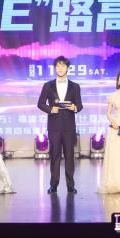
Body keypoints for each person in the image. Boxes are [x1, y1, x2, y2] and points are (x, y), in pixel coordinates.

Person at [37, 56, 83, 194]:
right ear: (55, 68)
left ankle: (70, 185)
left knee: (69, 157)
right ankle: (54, 185)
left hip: (69, 127)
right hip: (54, 126)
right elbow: (40, 103)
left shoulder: (75, 86)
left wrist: (74, 107)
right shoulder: (48, 85)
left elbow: (80, 105)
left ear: (68, 68)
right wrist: (50, 109)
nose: (60, 68)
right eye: (58, 66)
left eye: (63, 66)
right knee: (55, 156)